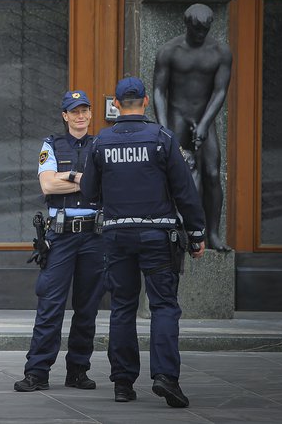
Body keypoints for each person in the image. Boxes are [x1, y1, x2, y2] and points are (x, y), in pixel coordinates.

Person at [80, 77, 206, 408]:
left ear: (117, 105)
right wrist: (196, 235)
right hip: (158, 235)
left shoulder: (100, 142)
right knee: (163, 305)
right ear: (146, 102)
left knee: (123, 305)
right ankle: (166, 377)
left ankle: (123, 382)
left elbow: (89, 192)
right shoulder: (163, 139)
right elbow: (185, 191)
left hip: (117, 235)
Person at [14, 90, 104, 393]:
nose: (80, 116)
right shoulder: (51, 144)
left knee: (87, 306)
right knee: (51, 305)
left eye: (85, 110)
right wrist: (82, 178)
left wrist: (68, 177)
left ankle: (78, 371)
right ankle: (37, 372)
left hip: (94, 235)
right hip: (60, 236)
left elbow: (105, 187)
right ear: (65, 115)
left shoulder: (101, 145)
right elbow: (47, 183)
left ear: (91, 114)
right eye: (73, 111)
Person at [153, 3, 232, 251]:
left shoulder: (221, 51)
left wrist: (206, 123)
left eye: (205, 30)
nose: (201, 35)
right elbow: (158, 91)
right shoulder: (169, 51)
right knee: (173, 174)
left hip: (204, 117)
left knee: (211, 172)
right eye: (197, 30)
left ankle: (213, 233)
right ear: (187, 25)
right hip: (177, 116)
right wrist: (164, 130)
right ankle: (174, 230)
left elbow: (220, 91)